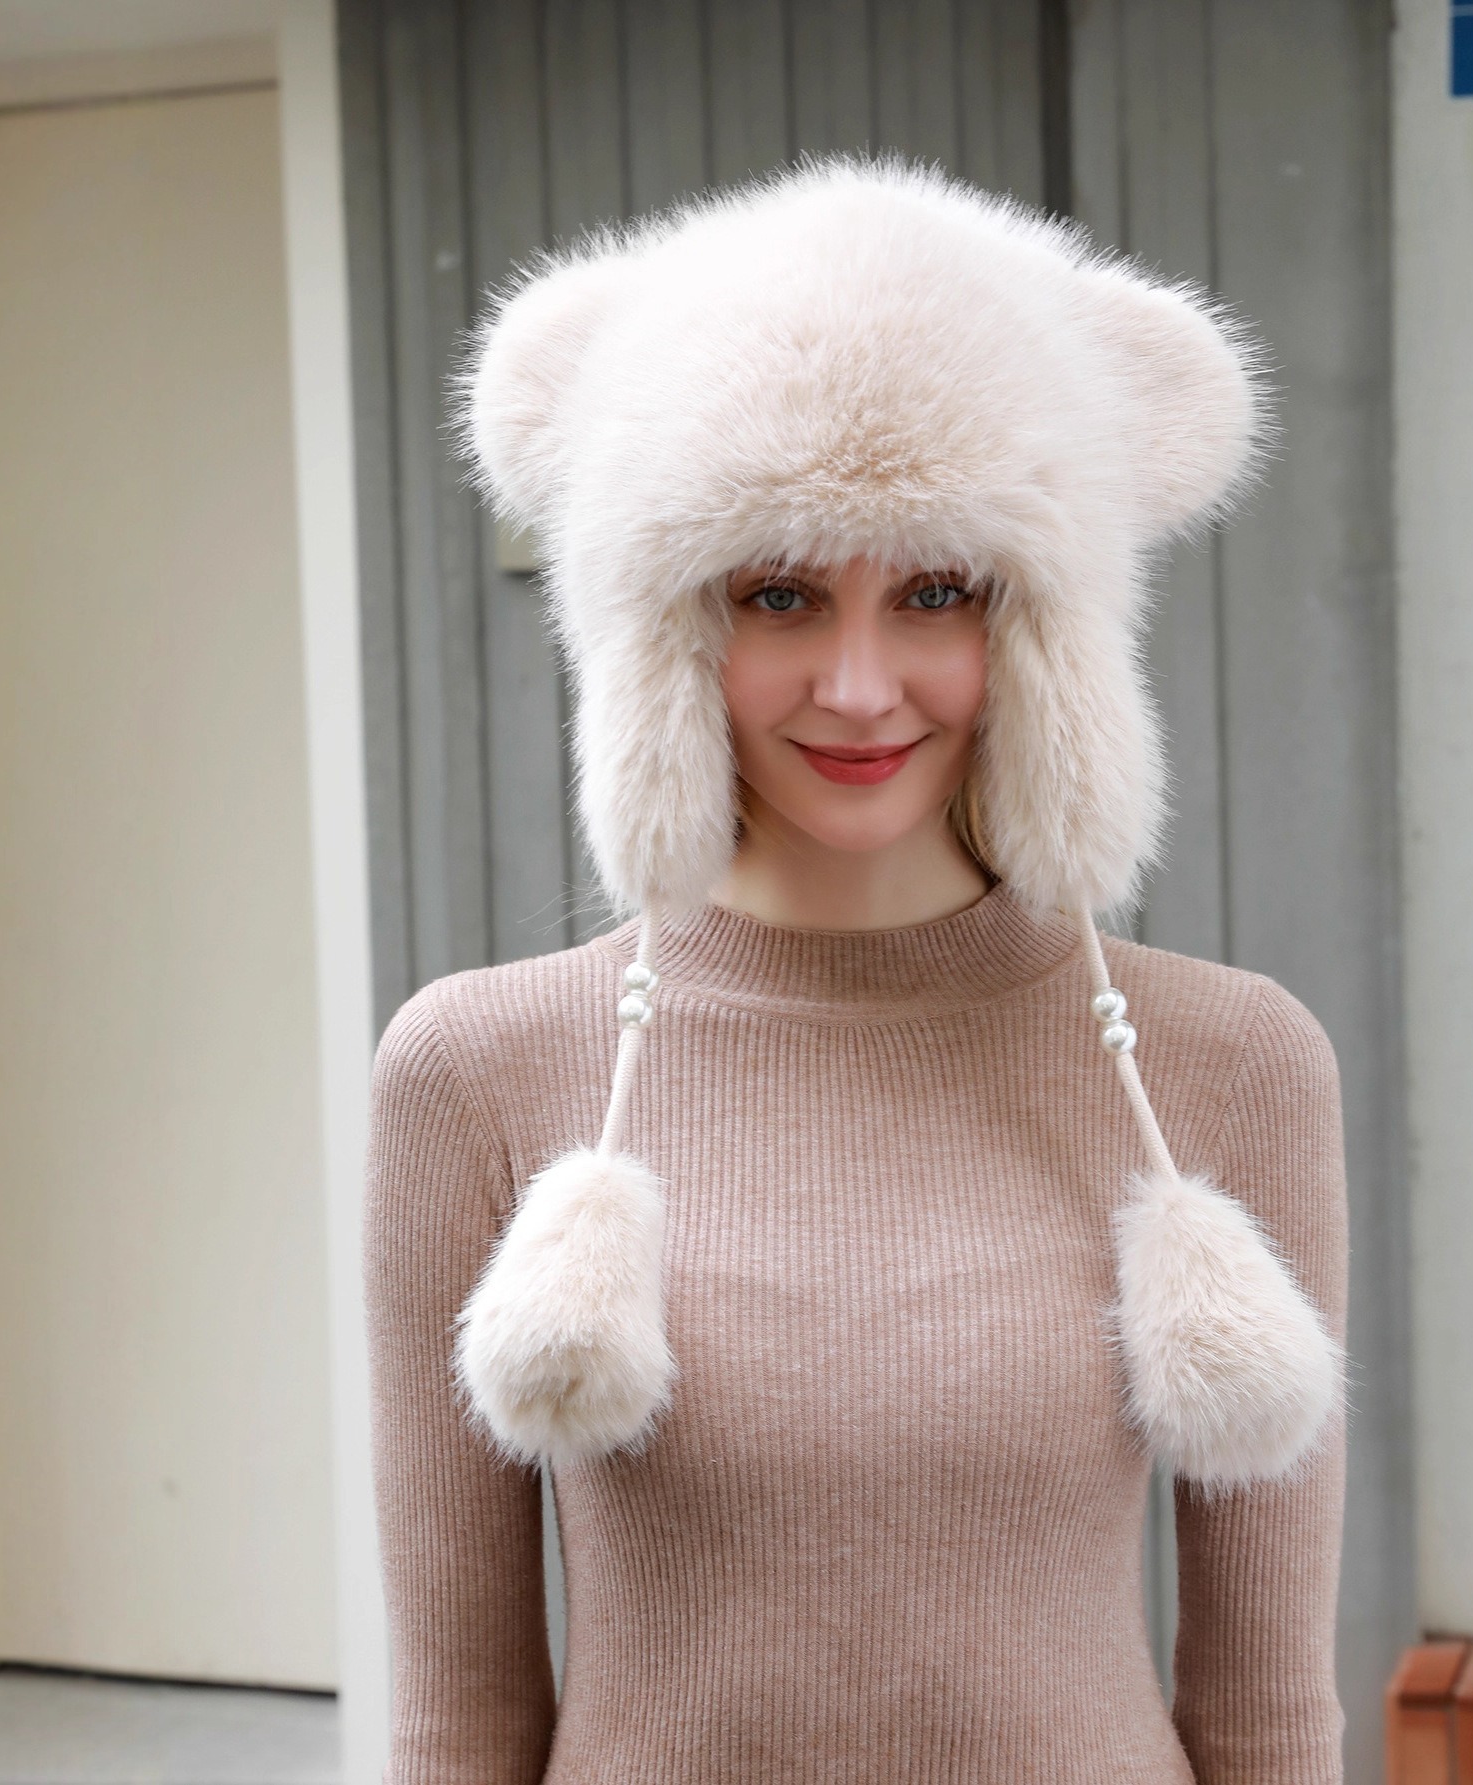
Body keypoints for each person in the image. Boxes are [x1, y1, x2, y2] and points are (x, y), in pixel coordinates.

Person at [363, 159, 1349, 1784]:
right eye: (780, 593)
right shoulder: (476, 1068)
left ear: (1038, 629)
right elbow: (459, 1718)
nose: (861, 683)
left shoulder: (1229, 1062)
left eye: (936, 592)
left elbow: (1263, 1716)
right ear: (664, 628)